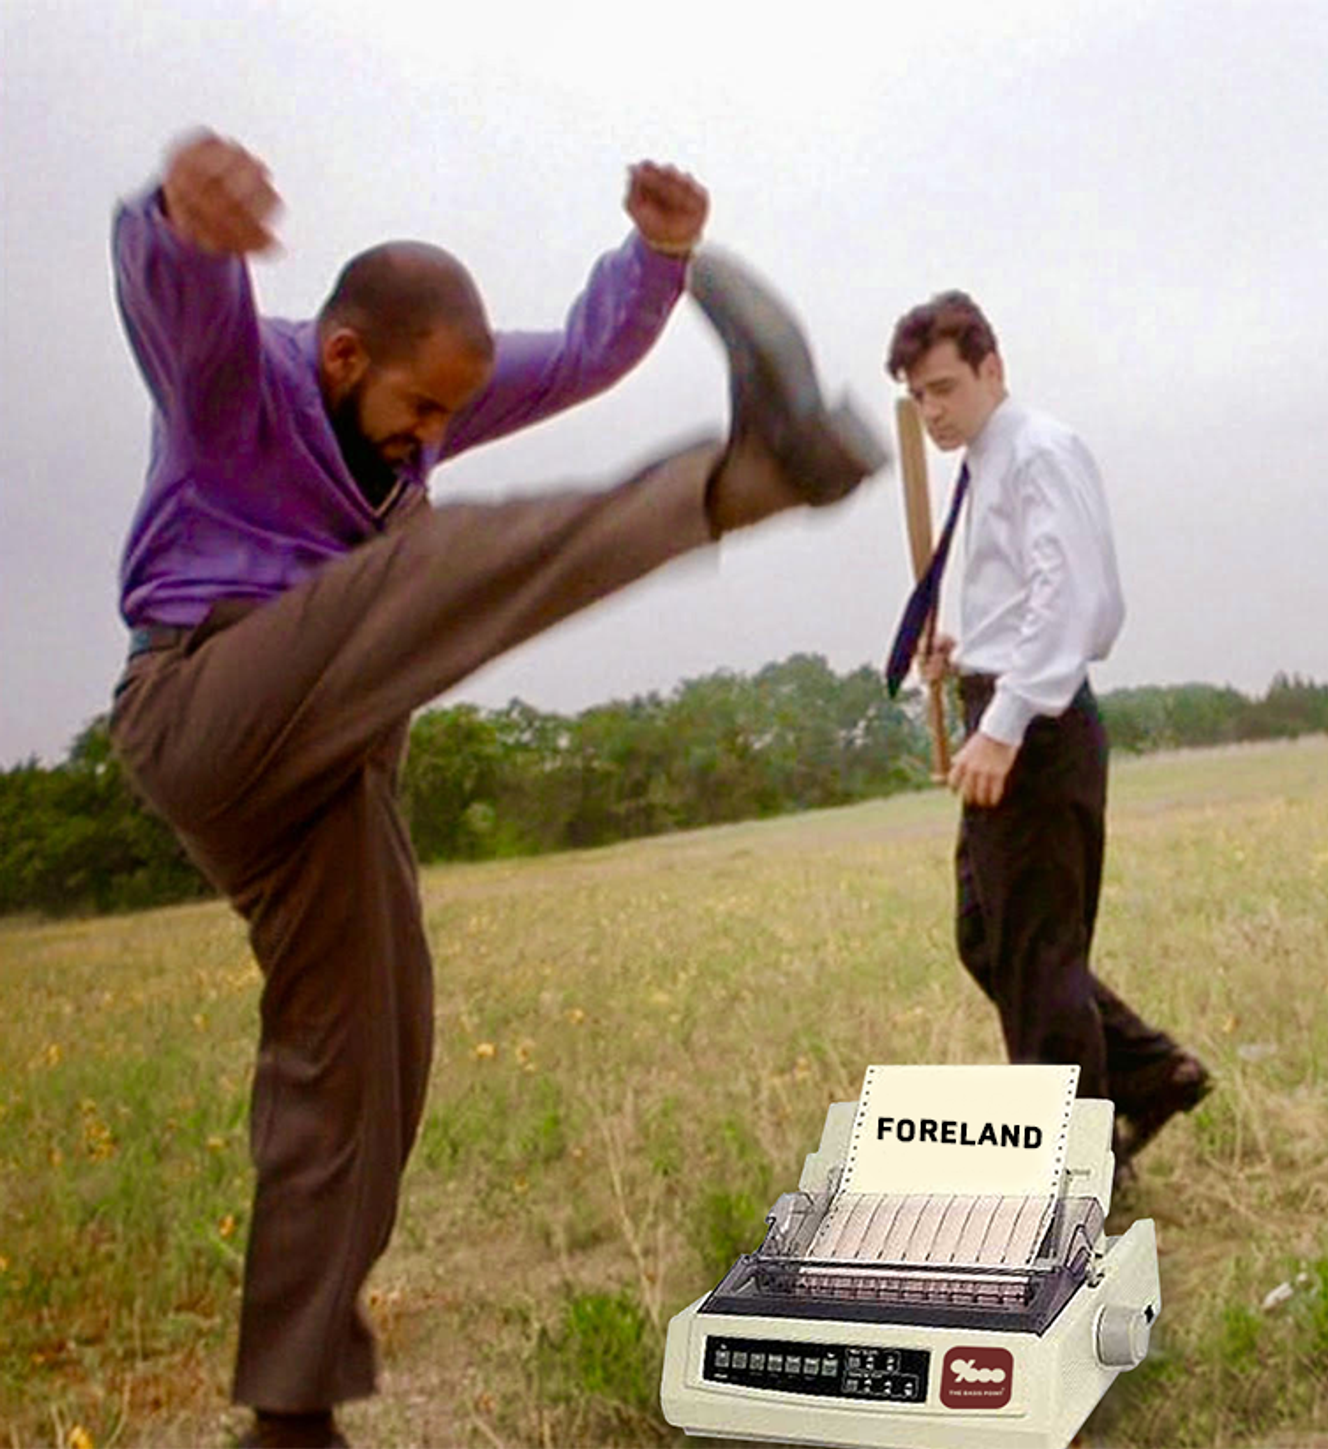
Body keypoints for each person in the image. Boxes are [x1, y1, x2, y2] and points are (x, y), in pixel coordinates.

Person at [109, 128, 882, 1447]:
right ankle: (750, 475)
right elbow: (173, 303)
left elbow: (578, 356)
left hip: (329, 760)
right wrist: (175, 224)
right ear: (342, 358)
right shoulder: (239, 380)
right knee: (429, 560)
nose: (432, 437)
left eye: (449, 417)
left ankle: (291, 1408)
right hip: (207, 703)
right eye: (418, 411)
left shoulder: (427, 396)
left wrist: (658, 257)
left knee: (368, 1051)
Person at [882, 290, 1209, 1183]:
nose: (933, 411)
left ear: (992, 368)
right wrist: (966, 651)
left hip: (1036, 727)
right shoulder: (985, 463)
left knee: (1035, 955)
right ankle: (1150, 1073)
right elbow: (1026, 598)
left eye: (945, 387)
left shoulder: (1037, 451)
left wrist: (1005, 721)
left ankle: (1077, 1174)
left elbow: (1075, 599)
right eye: (919, 397)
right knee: (989, 938)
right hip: (1010, 707)